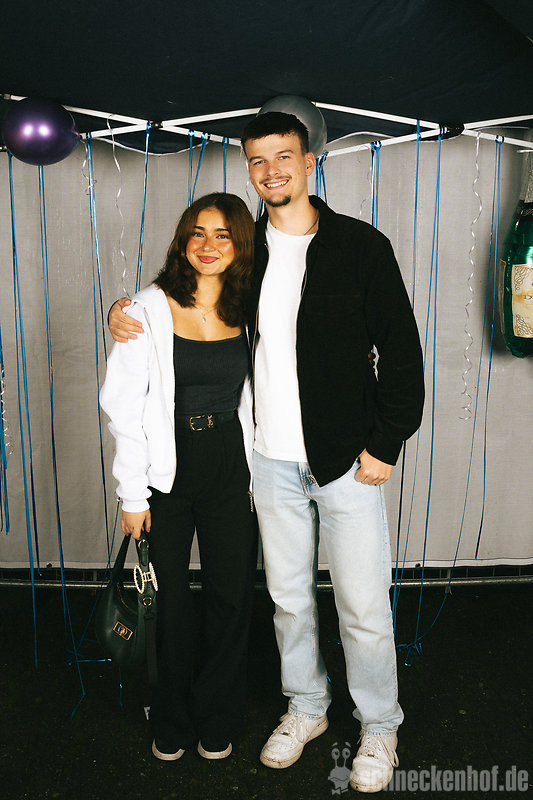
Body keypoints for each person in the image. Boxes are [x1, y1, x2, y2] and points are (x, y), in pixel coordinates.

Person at [109, 112, 425, 794]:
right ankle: (306, 706)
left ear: (309, 162)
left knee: (363, 606)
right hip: (268, 464)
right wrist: (125, 310)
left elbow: (401, 351)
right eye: (258, 160)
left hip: (347, 461)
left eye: (284, 156)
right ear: (249, 169)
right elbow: (185, 298)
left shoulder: (360, 246)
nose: (271, 170)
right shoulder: (245, 253)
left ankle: (379, 726)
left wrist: (385, 443)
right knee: (287, 601)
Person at [100, 192, 258, 763]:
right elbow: (122, 406)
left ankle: (216, 714)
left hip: (229, 461)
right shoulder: (145, 309)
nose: (208, 245)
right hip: (165, 469)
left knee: (230, 594)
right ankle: (170, 713)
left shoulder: (251, 305)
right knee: (167, 599)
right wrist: (131, 493)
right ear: (182, 240)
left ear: (240, 244)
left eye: (222, 234)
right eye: (198, 232)